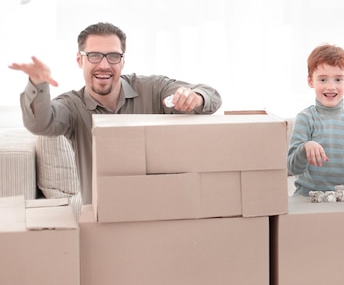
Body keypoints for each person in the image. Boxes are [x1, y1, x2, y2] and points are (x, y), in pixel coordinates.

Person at [9, 22, 222, 206]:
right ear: (79, 60)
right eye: (94, 56)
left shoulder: (152, 88)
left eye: (113, 56)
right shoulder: (72, 106)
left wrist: (197, 97)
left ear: (122, 61)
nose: (104, 65)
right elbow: (40, 124)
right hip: (102, 218)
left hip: (159, 211)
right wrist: (37, 85)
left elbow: (211, 96)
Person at [288, 44, 344, 197]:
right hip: (306, 198)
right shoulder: (305, 119)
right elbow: (292, 167)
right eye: (323, 79)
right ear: (311, 82)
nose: (331, 87)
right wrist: (305, 148)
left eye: (338, 79)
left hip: (342, 199)